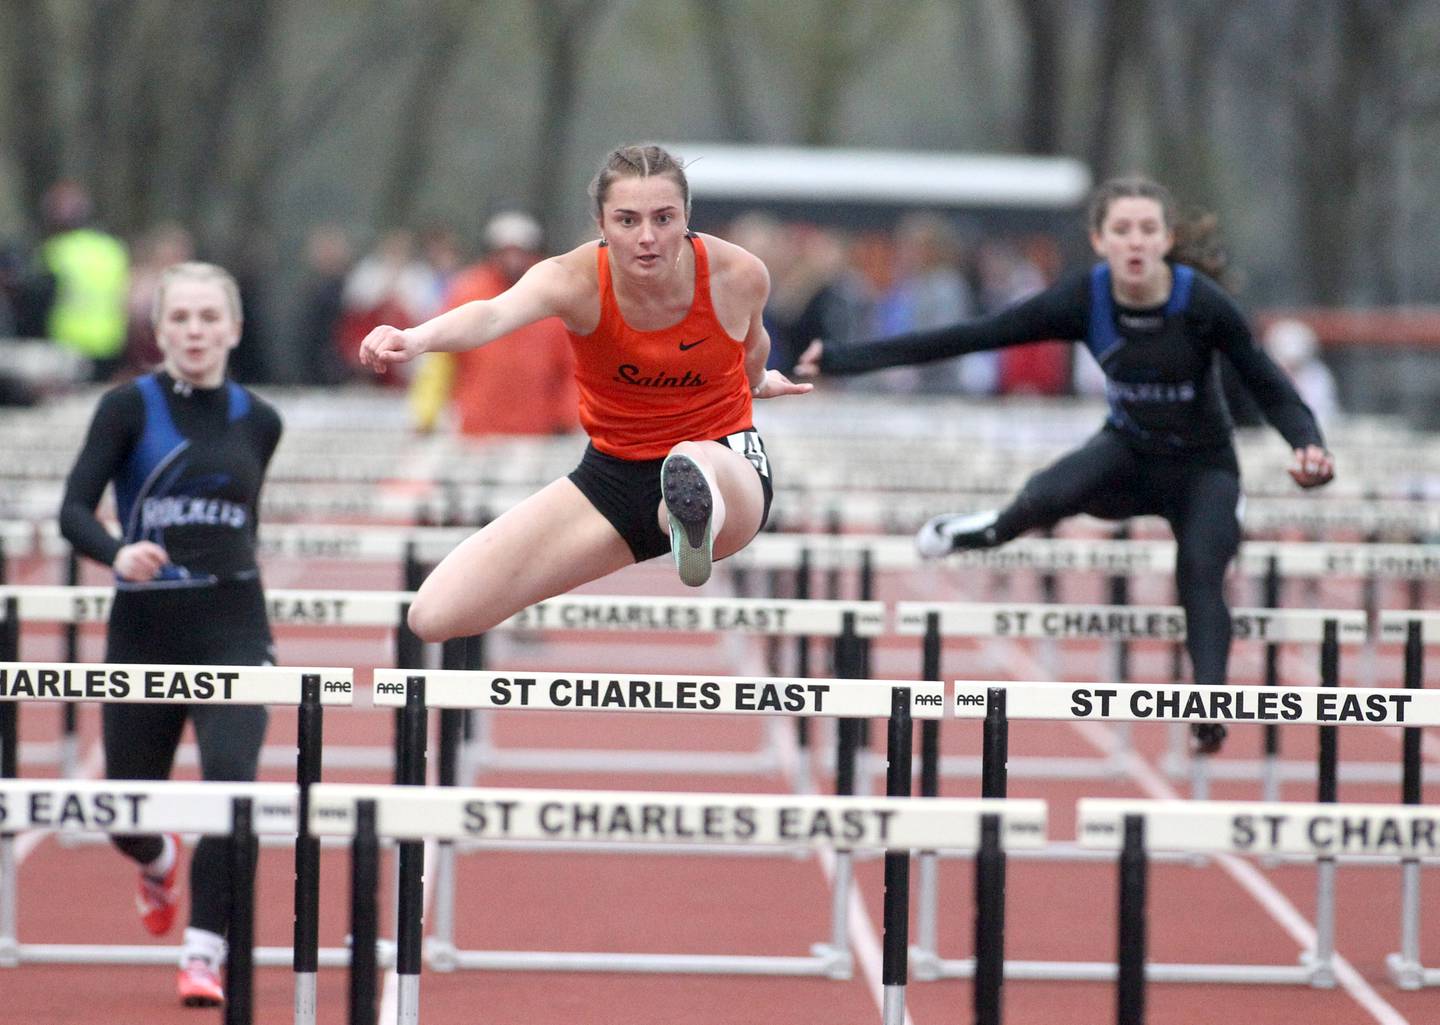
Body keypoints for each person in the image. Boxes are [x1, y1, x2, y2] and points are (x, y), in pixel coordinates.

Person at [796, 176, 1335, 755]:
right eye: (1122, 230)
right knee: (1044, 496)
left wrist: (1308, 444)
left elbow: (1270, 384)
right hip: (1127, 455)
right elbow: (974, 336)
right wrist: (845, 359)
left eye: (1147, 230)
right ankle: (988, 528)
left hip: (1204, 470)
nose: (1135, 242)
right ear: (1100, 240)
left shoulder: (1202, 304)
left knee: (1203, 570)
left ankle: (1208, 704)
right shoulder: (1086, 298)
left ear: (1166, 239)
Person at [360, 143, 811, 638]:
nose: (647, 238)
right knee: (434, 616)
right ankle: (675, 511)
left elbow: (752, 349)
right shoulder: (571, 280)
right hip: (614, 478)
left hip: (726, 463)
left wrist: (761, 382)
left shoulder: (737, 274)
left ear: (687, 218)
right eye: (627, 221)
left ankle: (690, 510)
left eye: (664, 219)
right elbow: (492, 312)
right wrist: (415, 338)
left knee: (693, 459)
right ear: (600, 224)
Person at [59, 262, 283, 1007]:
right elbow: (73, 510)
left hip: (233, 626)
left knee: (231, 785)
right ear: (158, 332)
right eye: (179, 318)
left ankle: (205, 952)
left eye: (208, 318)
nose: (194, 331)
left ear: (234, 329)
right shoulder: (127, 407)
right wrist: (117, 551)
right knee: (127, 812)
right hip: (144, 626)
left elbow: (244, 521)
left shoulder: (261, 419)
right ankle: (156, 858)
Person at [407, 210, 580, 437]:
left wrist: (569, 418)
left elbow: (572, 365)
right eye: (505, 251)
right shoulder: (467, 290)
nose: (513, 259)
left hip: (538, 433)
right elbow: (440, 359)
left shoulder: (552, 295)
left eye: (521, 251)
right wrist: (425, 415)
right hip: (476, 432)